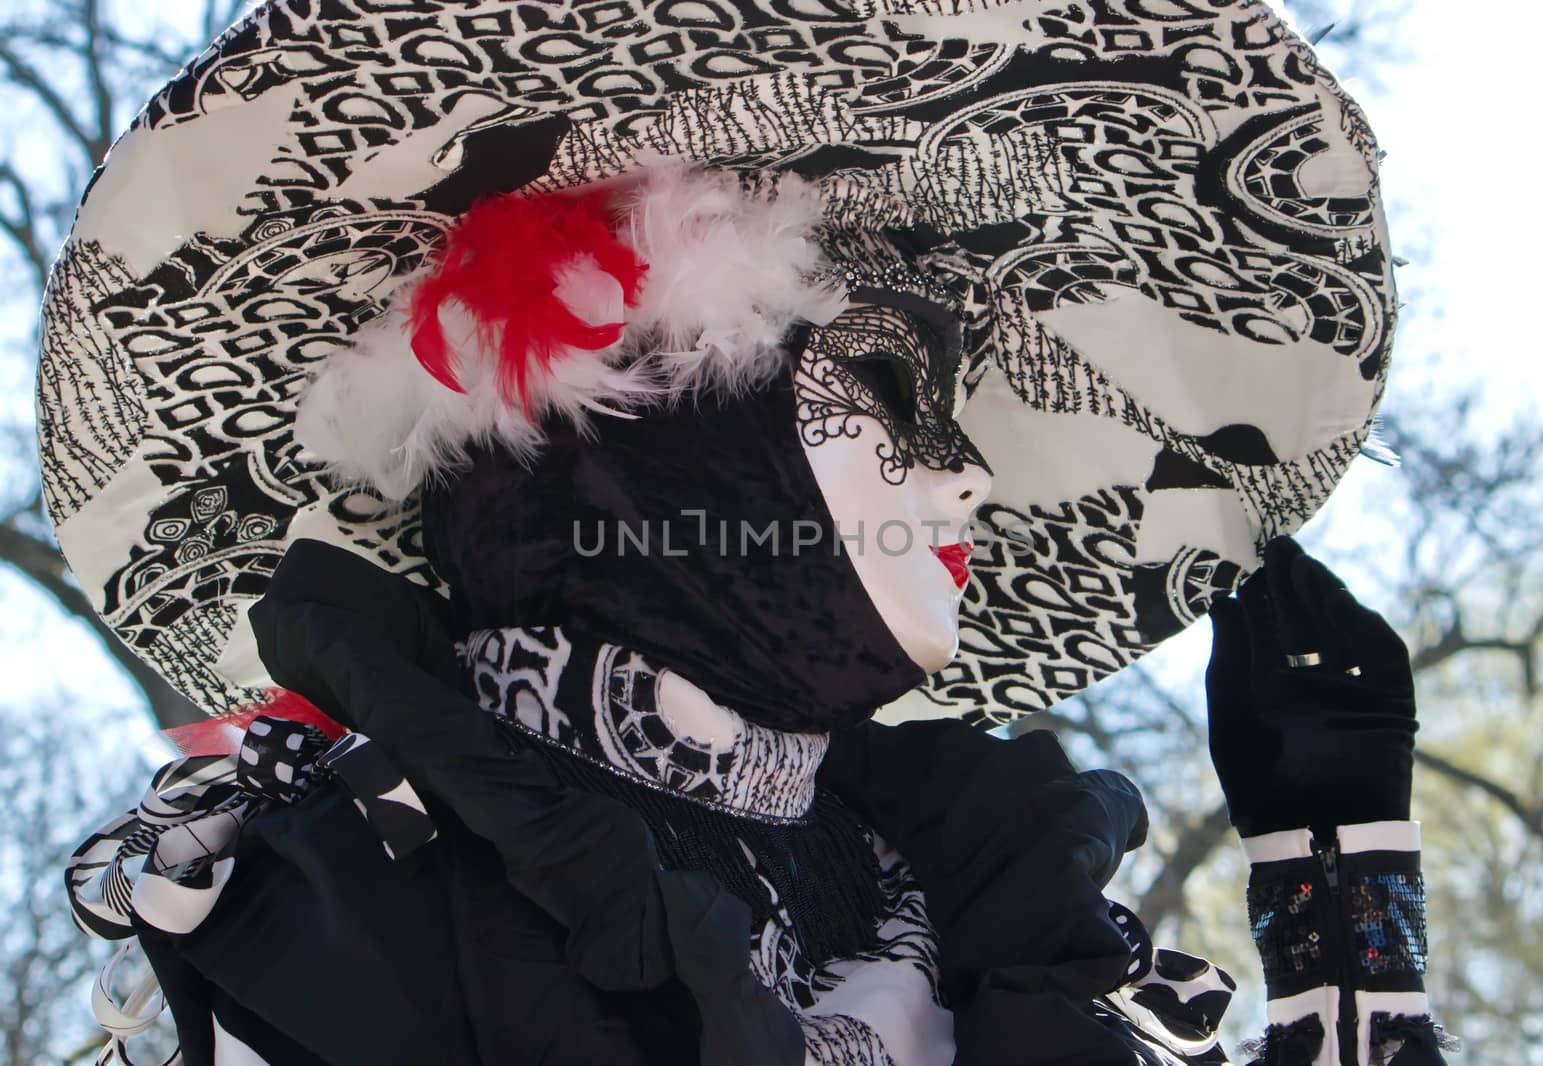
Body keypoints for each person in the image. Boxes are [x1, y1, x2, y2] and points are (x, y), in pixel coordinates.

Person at [37, 3, 1440, 1063]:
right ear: (659, 449)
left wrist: (1333, 851)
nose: (968, 487)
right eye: (895, 400)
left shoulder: (953, 890)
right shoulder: (362, 911)